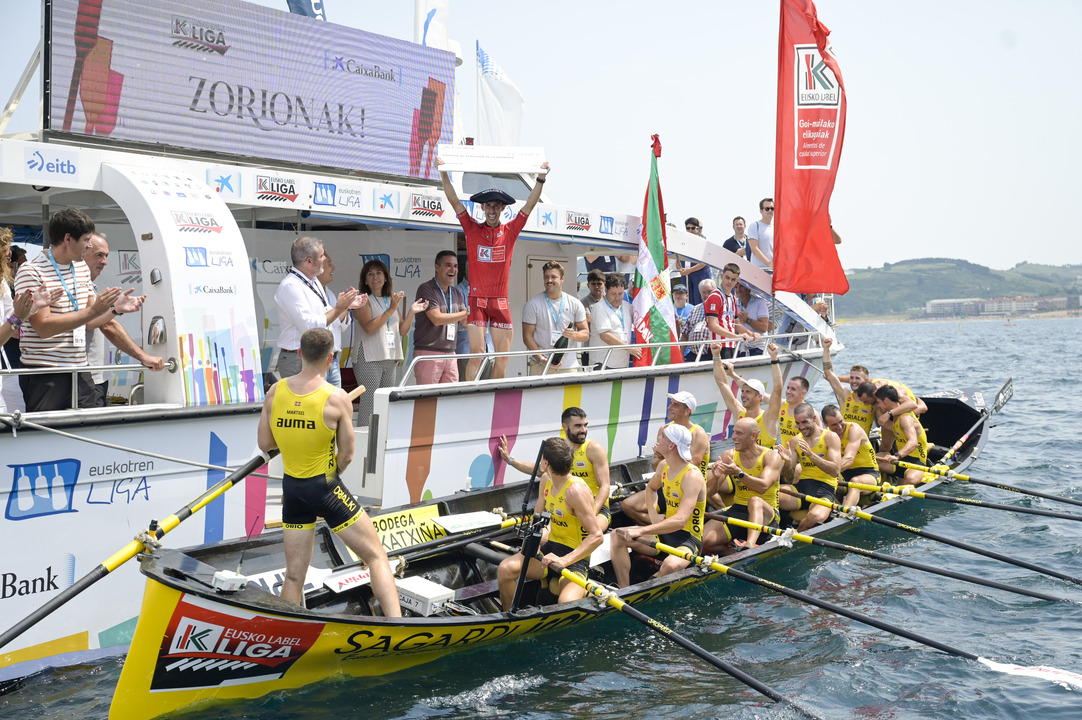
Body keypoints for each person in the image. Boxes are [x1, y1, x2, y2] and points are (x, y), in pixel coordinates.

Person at [257, 328, 401, 616]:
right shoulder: (336, 398)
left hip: (292, 490)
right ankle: (397, 624)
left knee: (293, 576)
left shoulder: (275, 391)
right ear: (331, 358)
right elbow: (347, 454)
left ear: (299, 353)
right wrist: (332, 473)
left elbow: (265, 444)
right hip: (325, 487)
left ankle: (286, 632)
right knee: (376, 556)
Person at [14, 208, 142, 412]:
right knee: (47, 432)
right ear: (68, 239)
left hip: (80, 370)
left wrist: (114, 309)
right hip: (45, 373)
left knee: (88, 429)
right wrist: (94, 311)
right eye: (86, 240)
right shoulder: (31, 271)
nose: (89, 245)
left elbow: (90, 322)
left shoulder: (81, 268)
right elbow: (43, 328)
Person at [437, 157, 550, 381]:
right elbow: (454, 201)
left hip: (500, 301)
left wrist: (540, 178)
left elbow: (529, 205)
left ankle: (495, 393)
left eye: (496, 206)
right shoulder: (471, 229)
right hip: (477, 300)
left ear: (502, 208)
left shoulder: (510, 230)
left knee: (503, 357)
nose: (492, 210)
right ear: (482, 207)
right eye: (488, 205)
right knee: (477, 354)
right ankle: (470, 393)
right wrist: (443, 174)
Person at [496, 437, 603, 609]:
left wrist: (564, 560)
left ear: (545, 463)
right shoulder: (546, 480)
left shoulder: (575, 491)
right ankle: (508, 617)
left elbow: (597, 536)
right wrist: (535, 541)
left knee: (566, 603)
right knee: (505, 569)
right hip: (549, 550)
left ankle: (586, 590)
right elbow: (538, 521)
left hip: (575, 558)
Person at [611, 424, 706, 587]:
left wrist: (643, 530)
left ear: (671, 446)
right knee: (617, 535)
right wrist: (653, 514)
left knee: (670, 565)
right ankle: (623, 590)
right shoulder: (664, 466)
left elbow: (680, 521)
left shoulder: (692, 477)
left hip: (688, 539)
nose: (658, 439)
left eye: (662, 437)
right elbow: (650, 489)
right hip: (664, 532)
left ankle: (646, 588)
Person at [82, 233, 164, 405]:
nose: (105, 262)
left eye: (106, 256)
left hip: (94, 376)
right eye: (99, 255)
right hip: (89, 377)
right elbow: (106, 326)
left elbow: (104, 323)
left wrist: (115, 310)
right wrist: (143, 356)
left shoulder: (87, 285)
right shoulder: (81, 286)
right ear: (82, 253)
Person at [499, 406, 611, 531]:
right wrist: (509, 460)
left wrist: (591, 512)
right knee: (538, 537)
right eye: (578, 426)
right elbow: (540, 470)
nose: (583, 430)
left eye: (585, 425)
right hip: (565, 508)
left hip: (596, 508)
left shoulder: (594, 449)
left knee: (592, 532)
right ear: (565, 426)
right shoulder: (561, 448)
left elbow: (605, 486)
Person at [274, 237, 362, 380]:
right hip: (299, 359)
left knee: (328, 396)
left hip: (320, 356)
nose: (324, 259)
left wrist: (346, 306)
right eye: (321, 256)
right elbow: (310, 327)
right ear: (309, 261)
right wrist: (339, 308)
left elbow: (329, 319)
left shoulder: (313, 281)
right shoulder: (291, 286)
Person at [352, 258, 426, 423]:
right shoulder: (363, 300)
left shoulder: (390, 299)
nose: (375, 277)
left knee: (385, 403)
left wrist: (412, 312)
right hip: (369, 359)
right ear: (365, 280)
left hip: (390, 358)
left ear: (386, 278)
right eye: (370, 274)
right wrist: (392, 308)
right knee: (370, 402)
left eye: (379, 273)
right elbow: (369, 327)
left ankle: (382, 436)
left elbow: (402, 330)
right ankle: (366, 435)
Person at [622, 391, 710, 524]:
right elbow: (655, 466)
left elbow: (690, 468)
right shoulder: (665, 429)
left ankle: (662, 527)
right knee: (628, 505)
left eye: (675, 405)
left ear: (687, 411)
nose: (669, 407)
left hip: (689, 489)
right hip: (668, 486)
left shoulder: (698, 434)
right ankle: (661, 526)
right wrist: (659, 457)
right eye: (671, 404)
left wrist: (663, 457)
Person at [703, 417, 783, 549]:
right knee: (703, 543)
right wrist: (716, 477)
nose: (733, 437)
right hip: (738, 509)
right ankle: (735, 554)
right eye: (734, 432)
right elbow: (710, 492)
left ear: (754, 436)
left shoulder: (771, 457)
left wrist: (739, 473)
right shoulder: (728, 456)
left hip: (766, 514)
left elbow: (763, 487)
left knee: (755, 501)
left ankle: (749, 546)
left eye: (739, 433)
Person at [777, 402, 841, 531]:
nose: (801, 427)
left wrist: (811, 455)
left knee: (816, 517)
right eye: (798, 423)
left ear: (814, 418)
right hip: (802, 488)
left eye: (805, 422)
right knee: (768, 493)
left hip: (825, 489)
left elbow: (835, 471)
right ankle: (773, 531)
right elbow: (789, 478)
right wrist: (787, 462)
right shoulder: (795, 441)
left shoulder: (830, 437)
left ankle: (794, 536)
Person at [712, 342, 784, 450]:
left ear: (759, 397)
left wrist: (774, 358)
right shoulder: (739, 413)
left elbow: (777, 389)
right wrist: (716, 356)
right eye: (743, 391)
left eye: (748, 392)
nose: (743, 395)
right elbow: (722, 384)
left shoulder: (768, 417)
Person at [522, 260, 588, 375]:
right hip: (540, 365)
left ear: (562, 279)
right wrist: (542, 359)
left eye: (553, 277)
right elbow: (527, 337)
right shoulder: (532, 304)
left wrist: (574, 335)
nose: (549, 280)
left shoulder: (575, 303)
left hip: (568, 367)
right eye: (546, 277)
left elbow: (585, 334)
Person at [413, 250, 468, 384]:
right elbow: (436, 319)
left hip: (451, 353)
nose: (453, 270)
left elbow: (465, 323)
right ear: (437, 267)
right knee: (428, 396)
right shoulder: (426, 289)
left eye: (455, 266)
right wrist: (467, 313)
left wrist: (483, 313)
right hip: (429, 353)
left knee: (450, 396)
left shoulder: (456, 292)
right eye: (448, 265)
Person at [821, 404, 880, 506]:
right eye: (834, 425)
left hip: (869, 472)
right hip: (844, 473)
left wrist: (830, 472)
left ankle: (844, 513)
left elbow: (849, 459)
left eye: (841, 421)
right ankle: (835, 508)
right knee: (824, 483)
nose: (839, 427)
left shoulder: (854, 429)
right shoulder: (827, 435)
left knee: (855, 482)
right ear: (825, 424)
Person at [874, 384, 930, 485]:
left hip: (916, 462)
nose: (878, 405)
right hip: (900, 461)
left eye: (878, 402)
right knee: (871, 461)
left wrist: (897, 456)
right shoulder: (895, 416)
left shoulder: (905, 418)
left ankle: (899, 490)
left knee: (911, 479)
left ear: (886, 400)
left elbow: (913, 442)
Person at [704, 263, 758, 359]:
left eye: (733, 279)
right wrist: (736, 336)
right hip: (718, 347)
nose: (729, 282)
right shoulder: (715, 296)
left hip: (731, 345)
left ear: (737, 281)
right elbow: (712, 325)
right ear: (722, 276)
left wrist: (751, 334)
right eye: (727, 278)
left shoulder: (733, 298)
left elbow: (736, 323)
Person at [316, 252, 353, 387]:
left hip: (334, 360)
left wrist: (347, 306)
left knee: (334, 399)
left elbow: (342, 326)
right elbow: (323, 325)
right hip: (318, 360)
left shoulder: (329, 292)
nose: (334, 267)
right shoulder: (310, 293)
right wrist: (342, 308)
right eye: (329, 264)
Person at [588, 273, 640, 369]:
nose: (617, 298)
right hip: (603, 365)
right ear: (606, 290)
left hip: (622, 364)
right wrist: (629, 348)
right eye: (613, 294)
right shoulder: (599, 307)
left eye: (620, 294)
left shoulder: (627, 306)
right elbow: (605, 336)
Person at [677, 217, 714, 305]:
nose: (690, 230)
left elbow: (705, 262)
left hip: (700, 275)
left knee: (700, 301)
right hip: (686, 275)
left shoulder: (703, 242)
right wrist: (681, 269)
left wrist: (689, 270)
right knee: (687, 301)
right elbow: (677, 260)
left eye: (692, 228)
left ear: (697, 229)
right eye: (688, 228)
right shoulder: (682, 242)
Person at [679, 278, 716, 361]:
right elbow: (685, 334)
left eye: (709, 292)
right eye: (704, 292)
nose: (706, 295)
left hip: (712, 355)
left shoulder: (721, 308)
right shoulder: (695, 309)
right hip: (694, 355)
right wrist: (681, 354)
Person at [735, 281, 770, 356]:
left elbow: (764, 327)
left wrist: (747, 320)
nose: (738, 290)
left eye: (741, 286)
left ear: (748, 288)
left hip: (759, 347)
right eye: (736, 287)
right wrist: (739, 323)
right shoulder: (733, 303)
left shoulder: (760, 302)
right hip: (740, 348)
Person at [778, 375, 810, 447]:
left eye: (793, 389)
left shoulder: (810, 413)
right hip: (785, 452)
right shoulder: (782, 405)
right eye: (788, 388)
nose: (788, 391)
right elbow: (762, 396)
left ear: (803, 393)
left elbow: (819, 438)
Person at [747, 198, 774, 271]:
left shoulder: (776, 228)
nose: (770, 211)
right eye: (767, 209)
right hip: (760, 270)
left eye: (772, 208)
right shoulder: (755, 226)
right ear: (761, 211)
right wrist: (770, 263)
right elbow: (754, 249)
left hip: (774, 271)